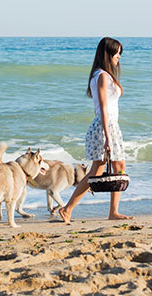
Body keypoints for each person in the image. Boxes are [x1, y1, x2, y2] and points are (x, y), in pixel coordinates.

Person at [58, 37, 134, 223]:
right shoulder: (101, 76)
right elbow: (102, 107)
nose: (119, 57)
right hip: (104, 127)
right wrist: (108, 137)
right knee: (97, 171)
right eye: (117, 54)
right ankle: (67, 209)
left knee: (117, 167)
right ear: (107, 54)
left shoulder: (103, 75)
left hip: (109, 126)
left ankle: (112, 212)